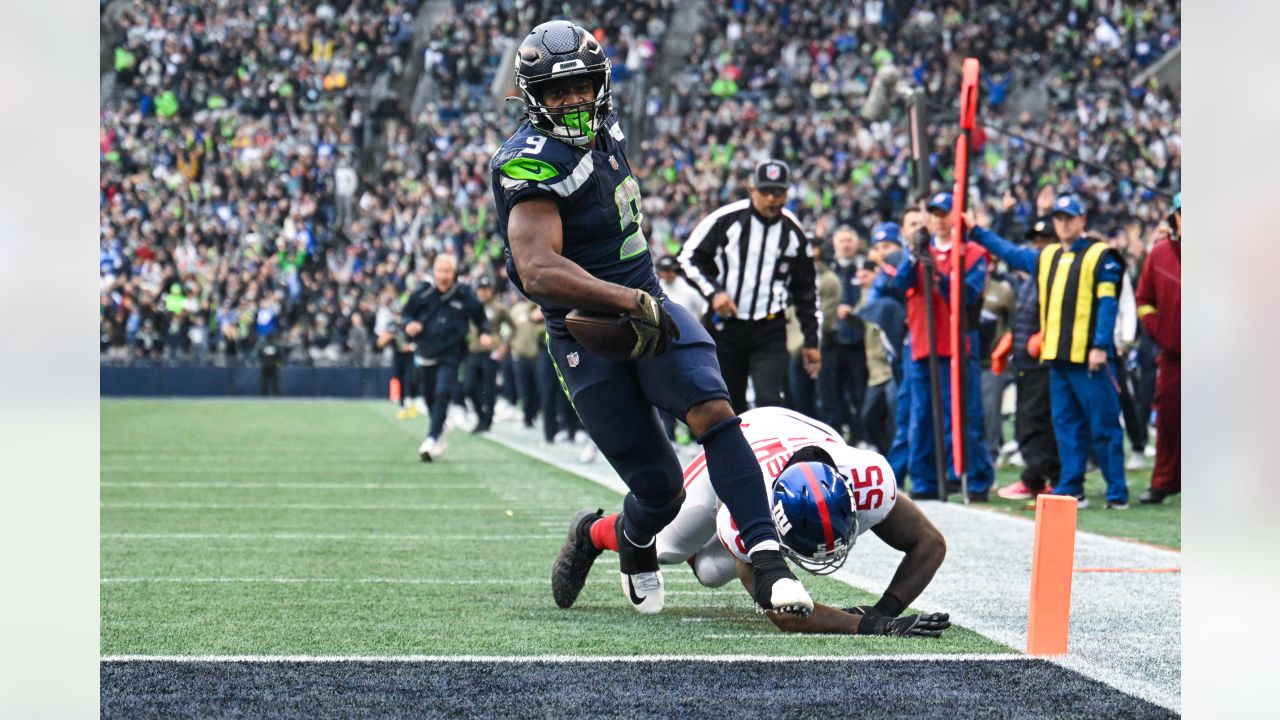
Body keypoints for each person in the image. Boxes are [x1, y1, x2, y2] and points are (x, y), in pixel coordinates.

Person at [491, 20, 812, 616]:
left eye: (583, 86)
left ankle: (769, 563)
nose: (575, 101)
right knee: (660, 491)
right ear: (533, 98)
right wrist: (622, 298)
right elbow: (537, 270)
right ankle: (604, 536)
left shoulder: (607, 126)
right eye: (559, 93)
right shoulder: (529, 162)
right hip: (590, 330)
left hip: (649, 307)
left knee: (717, 414)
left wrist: (641, 296)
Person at [552, 406, 951, 637]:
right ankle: (590, 531)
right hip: (737, 449)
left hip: (795, 429)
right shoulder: (752, 505)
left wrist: (884, 608)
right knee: (674, 549)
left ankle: (707, 547)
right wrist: (872, 627)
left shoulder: (868, 478)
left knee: (711, 569)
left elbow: (930, 543)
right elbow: (784, 614)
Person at [967, 195, 1129, 509]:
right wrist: (978, 232)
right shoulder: (1048, 256)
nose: (1063, 223)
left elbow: (1109, 305)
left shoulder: (1101, 256)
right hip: (1056, 358)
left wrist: (1099, 346)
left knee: (1104, 426)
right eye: (1059, 218)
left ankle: (1117, 492)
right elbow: (1010, 253)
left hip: (1088, 358)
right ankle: (1071, 488)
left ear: (1082, 220)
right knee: (1065, 426)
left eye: (1069, 217)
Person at [678, 158, 822, 413]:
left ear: (787, 192)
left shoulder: (793, 231)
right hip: (726, 326)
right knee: (727, 402)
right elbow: (688, 258)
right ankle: (735, 453)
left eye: (778, 192)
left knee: (770, 401)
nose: (771, 199)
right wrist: (714, 293)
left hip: (770, 327)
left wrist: (811, 340)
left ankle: (764, 452)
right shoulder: (727, 219)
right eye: (765, 191)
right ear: (751, 189)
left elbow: (806, 289)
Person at [893, 193, 995, 502]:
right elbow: (898, 285)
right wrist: (914, 257)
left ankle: (972, 477)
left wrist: (938, 274)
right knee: (921, 415)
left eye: (945, 212)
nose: (939, 218)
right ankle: (924, 480)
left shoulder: (973, 252)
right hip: (923, 343)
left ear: (956, 216)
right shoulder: (918, 250)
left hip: (957, 345)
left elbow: (968, 295)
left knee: (964, 413)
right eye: (934, 213)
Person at [995, 216, 1062, 501]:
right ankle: (1044, 476)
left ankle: (1039, 478)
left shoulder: (1054, 273)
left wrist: (1043, 335)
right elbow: (1024, 316)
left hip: (1042, 360)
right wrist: (1012, 341)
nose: (1038, 247)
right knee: (1028, 419)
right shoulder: (1033, 279)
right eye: (1035, 242)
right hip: (1026, 358)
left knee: (1037, 420)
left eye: (1044, 241)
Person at [404, 254, 491, 461]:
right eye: (440, 271)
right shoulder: (422, 292)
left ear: (454, 273)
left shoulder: (464, 294)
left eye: (447, 271)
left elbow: (480, 316)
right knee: (429, 397)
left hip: (452, 352)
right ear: (434, 272)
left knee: (442, 392)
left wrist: (484, 332)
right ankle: (439, 427)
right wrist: (410, 325)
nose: (443, 276)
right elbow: (407, 314)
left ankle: (431, 438)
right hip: (426, 351)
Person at [1135, 193, 1180, 504]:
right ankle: (1163, 482)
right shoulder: (1160, 254)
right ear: (1175, 218)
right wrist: (1162, 332)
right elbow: (1144, 301)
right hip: (1173, 357)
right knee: (1168, 421)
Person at [821, 225, 869, 443]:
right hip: (832, 343)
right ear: (835, 244)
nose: (846, 244)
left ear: (856, 243)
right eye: (842, 240)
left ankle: (862, 438)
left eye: (850, 240)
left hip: (859, 343)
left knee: (861, 395)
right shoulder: (827, 271)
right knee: (832, 395)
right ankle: (836, 442)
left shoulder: (865, 268)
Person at [463, 276, 512, 434]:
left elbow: (512, 328)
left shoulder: (499, 308)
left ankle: (487, 421)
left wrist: (504, 346)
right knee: (469, 387)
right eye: (480, 289)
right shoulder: (471, 306)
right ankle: (481, 416)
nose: (483, 292)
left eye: (486, 289)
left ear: (490, 290)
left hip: (491, 353)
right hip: (473, 351)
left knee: (489, 389)